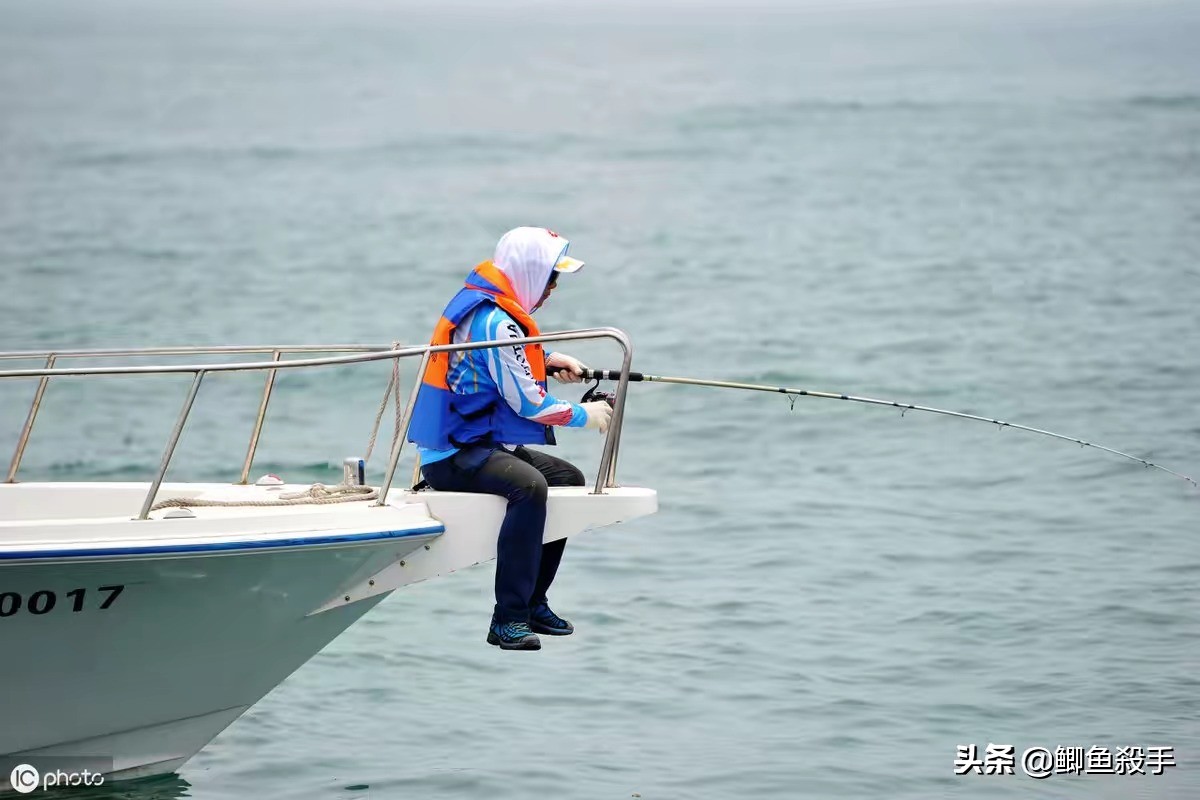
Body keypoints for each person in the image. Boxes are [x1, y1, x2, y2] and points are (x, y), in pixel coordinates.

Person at [407, 227, 613, 651]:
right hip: (453, 452)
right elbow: (529, 405)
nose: (553, 288)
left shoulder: (489, 311)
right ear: (529, 272)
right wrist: (585, 416)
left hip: (479, 441)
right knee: (529, 486)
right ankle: (508, 619)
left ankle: (535, 602)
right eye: (551, 277)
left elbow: (499, 363)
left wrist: (550, 359)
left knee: (567, 478)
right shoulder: (497, 321)